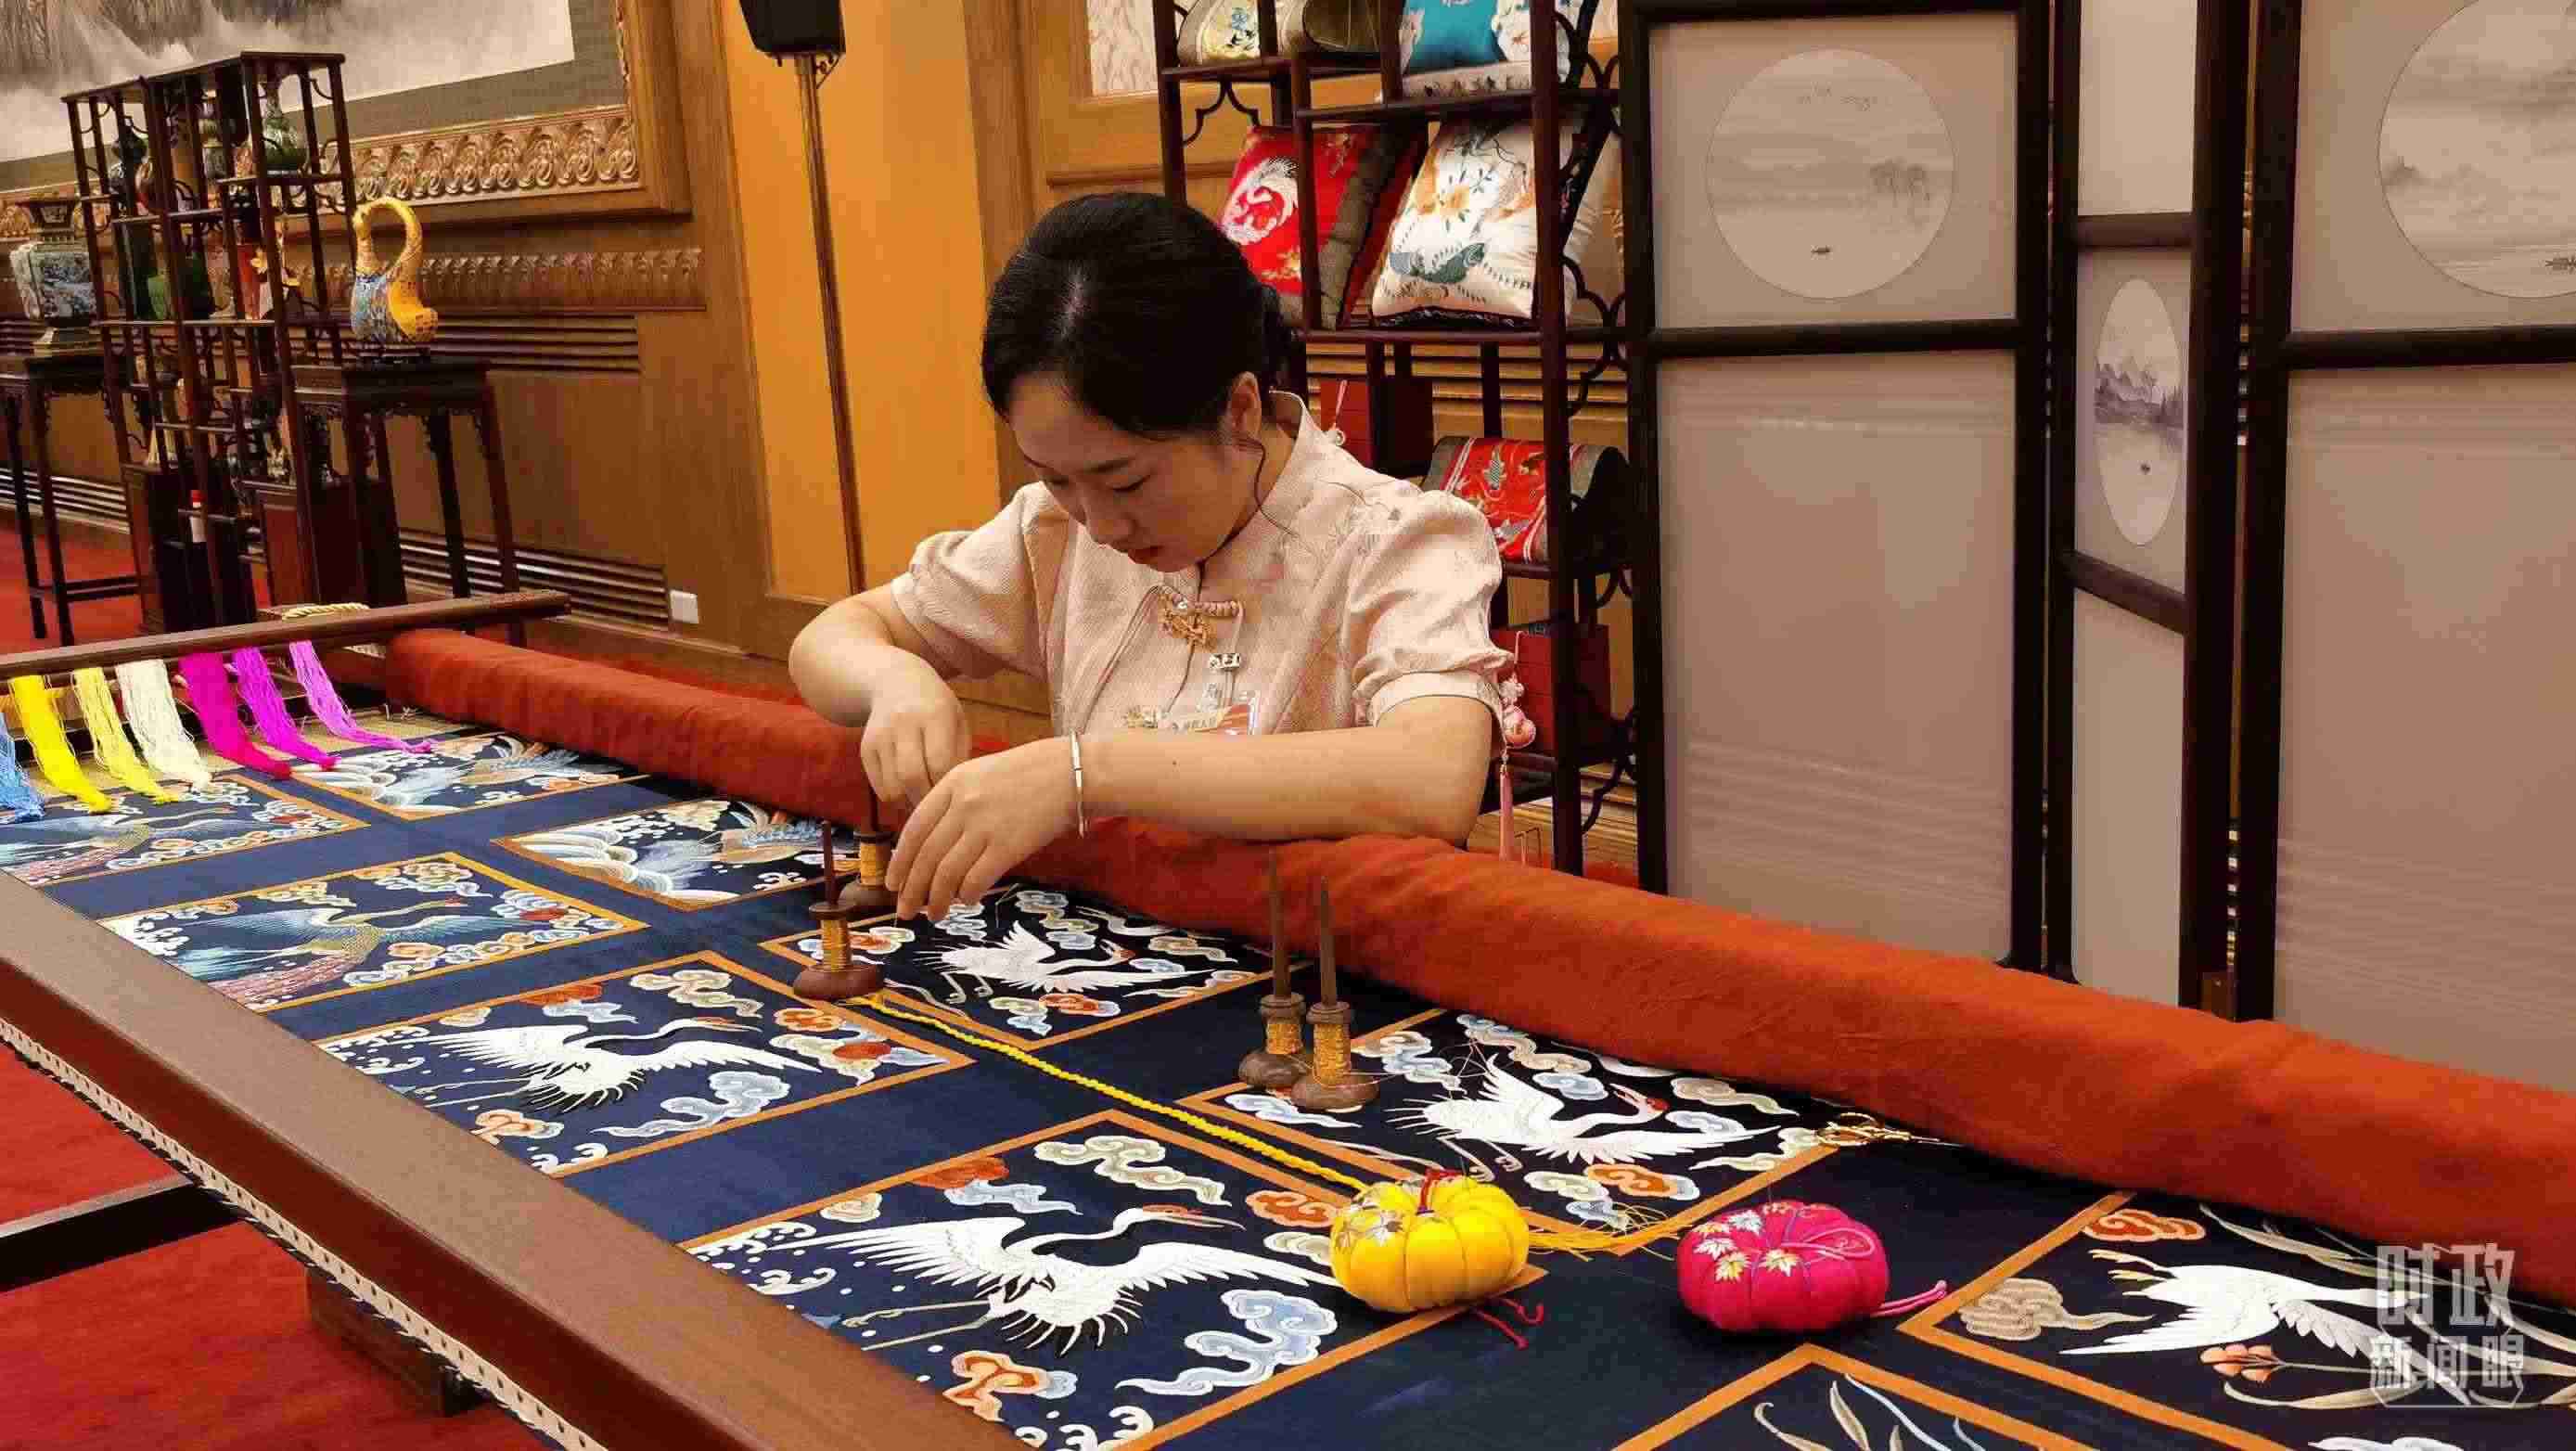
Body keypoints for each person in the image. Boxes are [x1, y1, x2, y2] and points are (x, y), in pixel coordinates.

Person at [789, 192, 1510, 922]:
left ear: (1239, 409)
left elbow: (1433, 777)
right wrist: (897, 682)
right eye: (1056, 478)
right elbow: (833, 638)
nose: (1100, 525)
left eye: (1126, 481)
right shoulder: (1053, 529)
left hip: (1317, 956)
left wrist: (1085, 772)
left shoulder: (1396, 538)